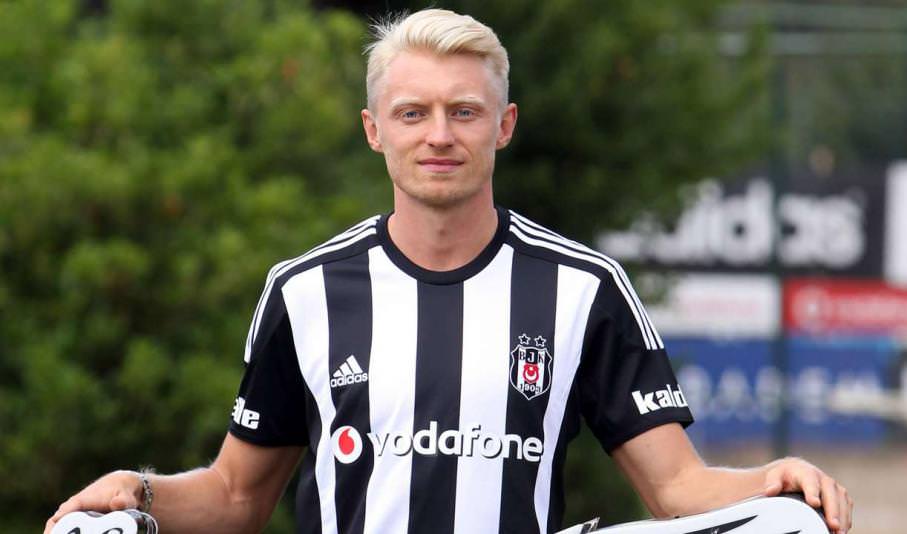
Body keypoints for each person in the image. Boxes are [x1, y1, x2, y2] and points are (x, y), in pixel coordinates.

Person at [46, 8, 853, 534]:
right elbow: (236, 496)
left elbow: (675, 490)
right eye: (414, 113)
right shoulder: (306, 291)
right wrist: (137, 491)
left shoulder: (583, 289)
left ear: (503, 126)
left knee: (790, 524)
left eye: (463, 111)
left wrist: (771, 480)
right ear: (375, 130)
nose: (439, 135)